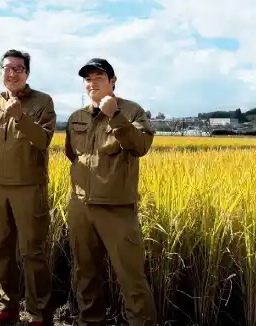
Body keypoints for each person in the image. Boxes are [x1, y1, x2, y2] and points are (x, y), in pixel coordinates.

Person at [64, 58, 157, 326]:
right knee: (85, 274)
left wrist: (115, 115)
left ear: (113, 82)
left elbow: (140, 145)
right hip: (81, 207)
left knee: (131, 277)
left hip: (117, 208)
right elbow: (73, 156)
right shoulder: (76, 118)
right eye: (88, 79)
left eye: (99, 78)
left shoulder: (132, 111)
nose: (92, 83)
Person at [0, 49, 56, 325]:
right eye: (7, 68)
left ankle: (39, 313)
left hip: (29, 188)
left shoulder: (42, 101)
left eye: (19, 69)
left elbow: (44, 140)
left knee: (32, 252)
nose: (12, 73)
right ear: (0, 71)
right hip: (0, 189)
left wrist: (21, 116)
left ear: (27, 73)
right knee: (1, 249)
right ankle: (8, 307)